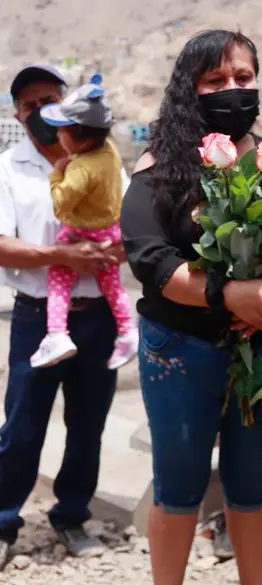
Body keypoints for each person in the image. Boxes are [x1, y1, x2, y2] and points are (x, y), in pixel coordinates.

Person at [120, 30, 262, 585]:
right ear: (187, 90)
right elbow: (150, 260)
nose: (233, 90)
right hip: (182, 348)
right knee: (178, 487)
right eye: (215, 81)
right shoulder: (159, 166)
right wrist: (226, 292)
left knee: (252, 486)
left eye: (243, 79)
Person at [0, 64, 131, 568]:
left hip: (98, 316)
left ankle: (71, 516)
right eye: (29, 105)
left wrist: (111, 255)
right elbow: (3, 244)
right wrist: (62, 258)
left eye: (48, 100)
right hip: (38, 318)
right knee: (23, 424)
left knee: (88, 423)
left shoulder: (103, 160)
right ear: (18, 112)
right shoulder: (10, 167)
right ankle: (4, 519)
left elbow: (124, 228)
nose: (39, 112)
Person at [30, 79, 139, 370]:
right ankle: (128, 331)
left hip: (81, 232)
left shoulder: (79, 168)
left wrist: (56, 176)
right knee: (112, 283)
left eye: (62, 129)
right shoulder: (110, 152)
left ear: (83, 139)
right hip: (110, 230)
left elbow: (61, 205)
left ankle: (56, 333)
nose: (57, 134)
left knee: (59, 273)